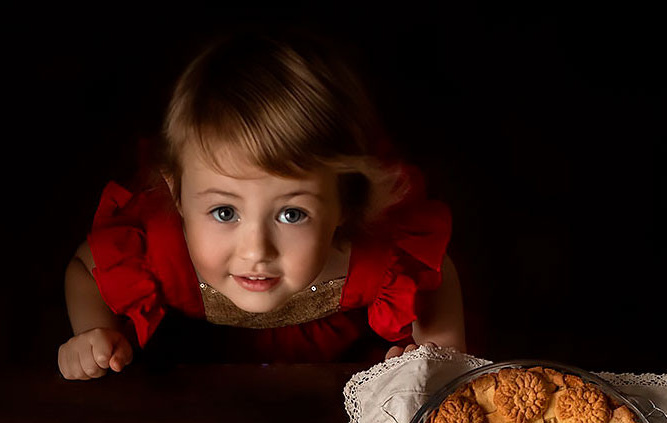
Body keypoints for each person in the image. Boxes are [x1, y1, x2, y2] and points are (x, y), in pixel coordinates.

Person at [58, 30, 465, 379]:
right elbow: (84, 269)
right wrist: (93, 334)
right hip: (201, 368)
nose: (256, 250)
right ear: (177, 194)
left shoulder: (367, 258)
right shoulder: (159, 250)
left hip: (331, 371)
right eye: (225, 212)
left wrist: (440, 354)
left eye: (292, 214)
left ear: (344, 202)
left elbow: (436, 273)